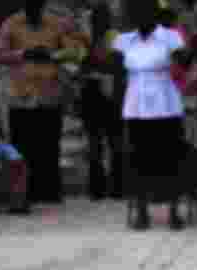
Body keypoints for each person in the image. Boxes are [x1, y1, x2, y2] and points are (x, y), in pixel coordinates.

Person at [0, 0, 87, 205]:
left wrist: (52, 55)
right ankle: (24, 194)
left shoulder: (55, 23)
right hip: (21, 96)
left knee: (49, 146)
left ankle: (50, 192)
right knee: (23, 147)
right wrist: (24, 54)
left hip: (49, 94)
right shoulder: (11, 23)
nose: (33, 8)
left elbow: (74, 51)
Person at [113, 0, 192, 230]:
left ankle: (174, 211)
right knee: (138, 160)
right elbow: (117, 72)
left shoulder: (169, 37)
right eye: (136, 12)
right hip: (136, 105)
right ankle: (141, 211)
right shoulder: (123, 40)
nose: (141, 16)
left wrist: (185, 53)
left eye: (146, 12)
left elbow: (184, 62)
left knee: (170, 159)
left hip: (165, 104)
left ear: (155, 14)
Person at [79, 2, 123, 200]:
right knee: (98, 143)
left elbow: (116, 63)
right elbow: (81, 65)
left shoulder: (113, 37)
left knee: (112, 143)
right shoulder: (86, 38)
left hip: (109, 92)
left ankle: (114, 188)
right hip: (94, 92)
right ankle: (100, 189)